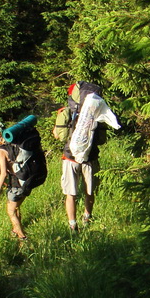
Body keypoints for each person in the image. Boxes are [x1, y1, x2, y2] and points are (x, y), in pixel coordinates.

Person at [56, 82, 119, 232]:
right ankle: (87, 218)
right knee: (89, 191)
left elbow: (61, 136)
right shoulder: (97, 112)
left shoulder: (65, 112)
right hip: (90, 158)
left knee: (70, 193)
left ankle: (72, 224)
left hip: (70, 158)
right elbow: (102, 140)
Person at [0, 121, 29, 240]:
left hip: (16, 184)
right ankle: (16, 229)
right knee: (16, 208)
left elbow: (4, 173)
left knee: (11, 211)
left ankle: (23, 238)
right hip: (27, 180)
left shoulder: (0, 151)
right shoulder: (15, 142)